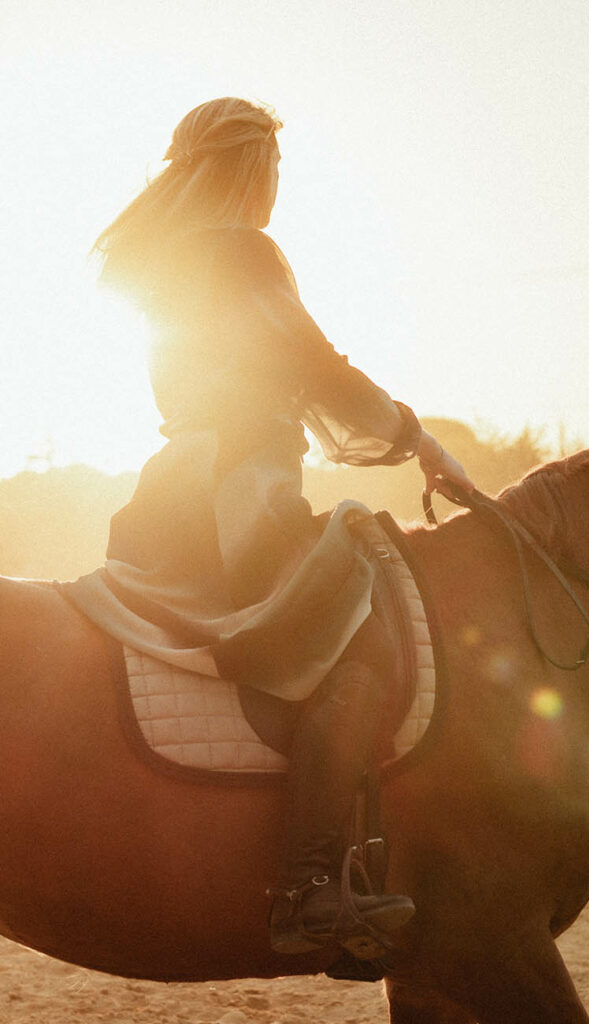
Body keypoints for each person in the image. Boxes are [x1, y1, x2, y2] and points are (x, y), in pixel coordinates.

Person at [62, 97, 475, 956]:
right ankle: (309, 888)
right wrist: (420, 442)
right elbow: (315, 368)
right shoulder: (242, 250)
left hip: (169, 503)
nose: (279, 184)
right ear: (254, 168)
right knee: (358, 645)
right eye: (276, 167)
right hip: (238, 500)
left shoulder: (162, 264)